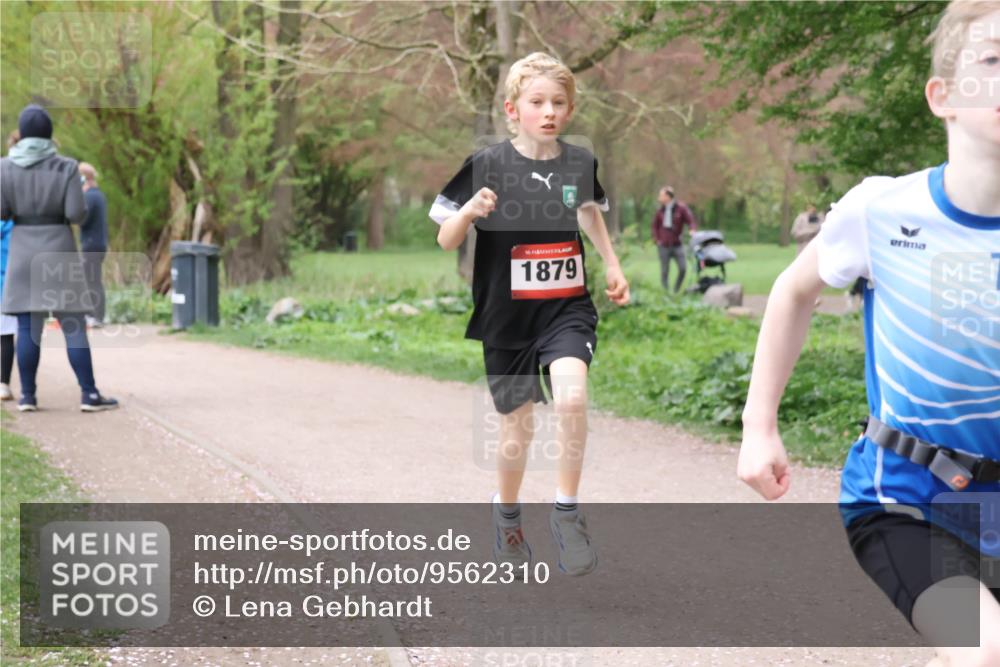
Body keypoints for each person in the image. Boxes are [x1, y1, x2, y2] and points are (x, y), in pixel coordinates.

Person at [737, 2, 1000, 664]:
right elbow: (793, 291)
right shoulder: (879, 211)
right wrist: (758, 425)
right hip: (908, 500)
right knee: (985, 650)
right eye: (993, 58)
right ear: (941, 97)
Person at [430, 52, 629, 576]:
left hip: (566, 308)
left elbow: (587, 211)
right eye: (537, 102)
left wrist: (612, 264)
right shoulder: (487, 164)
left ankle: (566, 514)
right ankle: (508, 516)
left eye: (558, 103)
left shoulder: (578, 163)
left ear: (570, 109)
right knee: (516, 433)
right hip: (506, 317)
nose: (549, 112)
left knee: (572, 398)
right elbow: (445, 237)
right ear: (512, 109)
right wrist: (469, 211)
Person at [0, 104, 118, 413]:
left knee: (28, 328)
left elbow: (2, 212)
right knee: (73, 325)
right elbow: (76, 214)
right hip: (59, 249)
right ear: (49, 133)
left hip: (23, 252)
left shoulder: (5, 167)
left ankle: (27, 397)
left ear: (22, 133)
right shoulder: (66, 167)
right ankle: (89, 394)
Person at [651, 185, 697, 293]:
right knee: (664, 271)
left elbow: (691, 220)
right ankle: (666, 293)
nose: (659, 198)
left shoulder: (681, 208)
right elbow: (654, 226)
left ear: (668, 196)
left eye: (661, 195)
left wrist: (692, 229)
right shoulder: (660, 211)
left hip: (677, 244)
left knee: (683, 268)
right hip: (663, 245)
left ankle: (676, 290)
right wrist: (657, 239)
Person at [79, 162, 108, 327]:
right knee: (93, 279)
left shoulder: (90, 196)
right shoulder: (98, 195)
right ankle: (96, 315)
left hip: (92, 244)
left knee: (92, 281)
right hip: (98, 243)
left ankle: (95, 316)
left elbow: (82, 218)